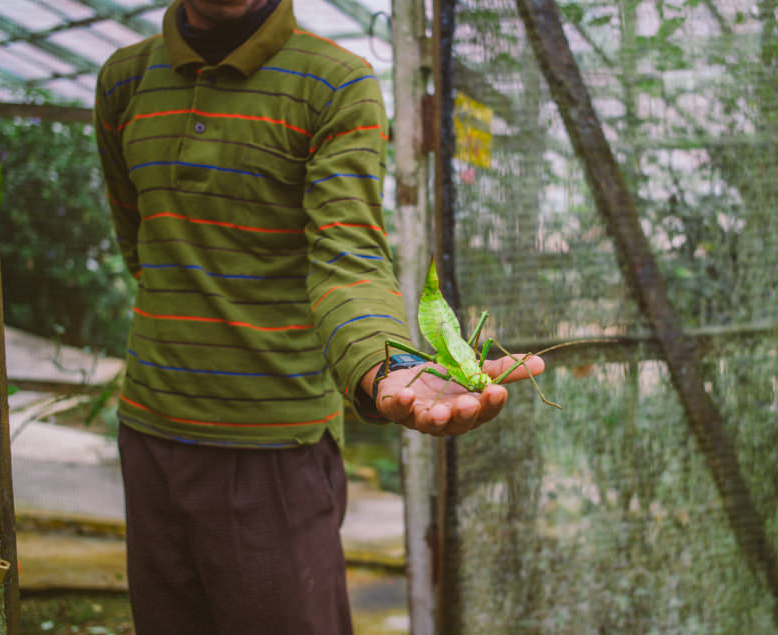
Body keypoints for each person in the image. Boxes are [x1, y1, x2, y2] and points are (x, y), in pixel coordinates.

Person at [94, 0, 543, 632]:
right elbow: (141, 242)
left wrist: (386, 364)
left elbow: (347, 252)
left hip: (275, 449)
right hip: (149, 432)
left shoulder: (336, 83)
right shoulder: (122, 79)